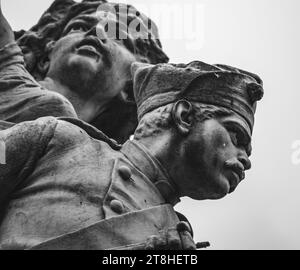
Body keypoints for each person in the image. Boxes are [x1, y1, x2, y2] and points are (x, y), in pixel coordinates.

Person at [0, 60, 263, 249]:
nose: (246, 160)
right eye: (236, 137)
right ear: (184, 117)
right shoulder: (57, 138)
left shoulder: (179, 241)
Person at [0, 0, 168, 142]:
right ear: (46, 57)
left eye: (117, 36)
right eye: (78, 27)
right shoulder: (4, 55)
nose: (95, 31)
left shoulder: (114, 168)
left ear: (130, 89)